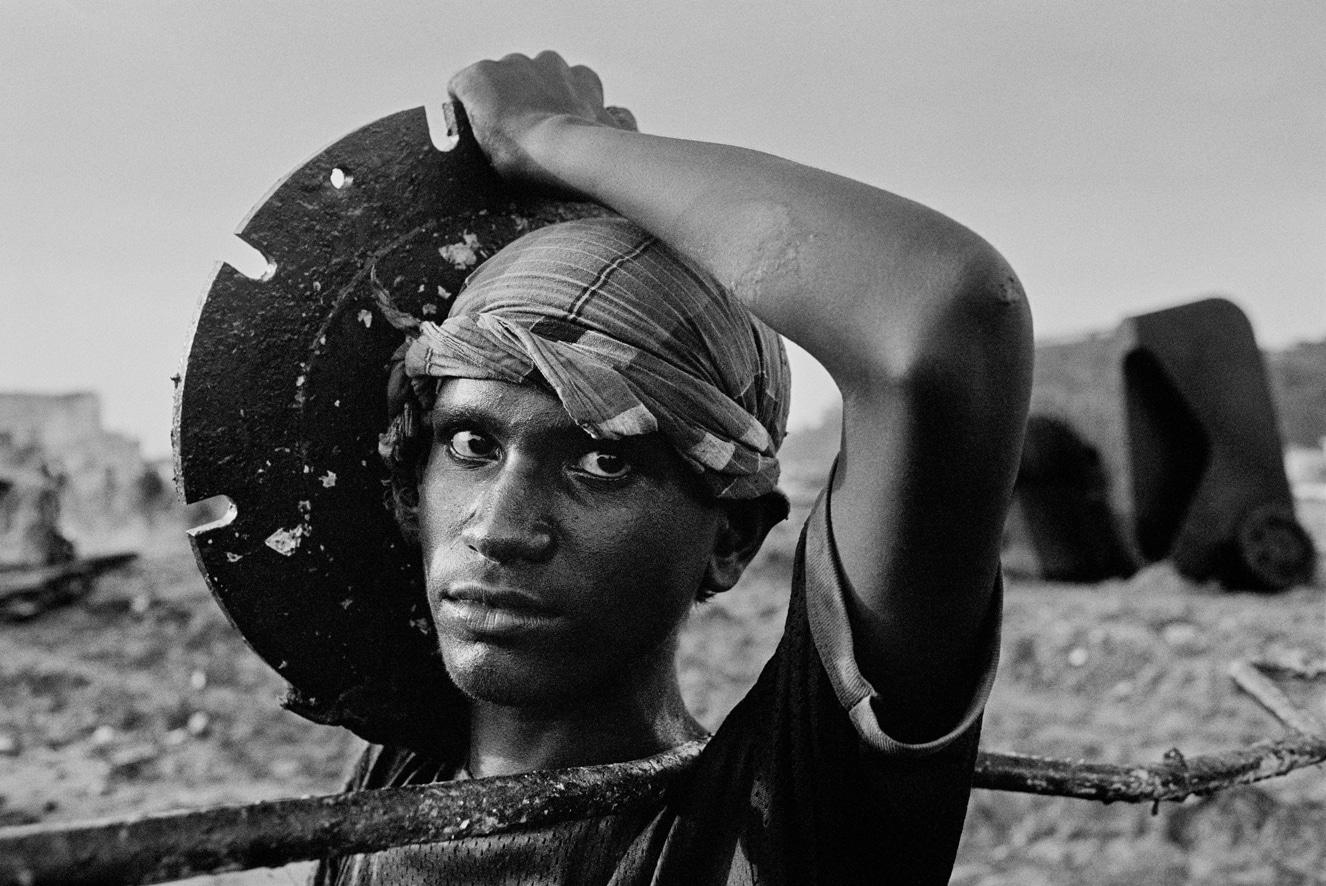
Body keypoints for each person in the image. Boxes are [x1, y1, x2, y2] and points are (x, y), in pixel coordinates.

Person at [315, 50, 1032, 885]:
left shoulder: (773, 825)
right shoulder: (399, 777)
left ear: (729, 539)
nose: (500, 528)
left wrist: (557, 140)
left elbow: (951, 317)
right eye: (472, 445)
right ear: (411, 487)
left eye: (602, 460)